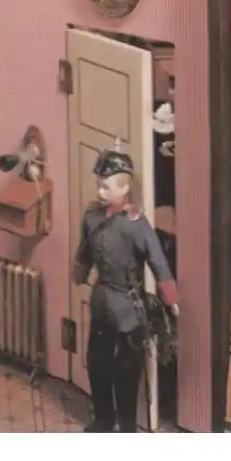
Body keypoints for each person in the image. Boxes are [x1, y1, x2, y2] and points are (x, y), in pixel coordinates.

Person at [73, 139, 180, 433]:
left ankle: (128, 426)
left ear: (124, 187)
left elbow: (158, 262)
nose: (100, 191)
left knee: (127, 371)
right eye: (99, 185)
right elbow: (84, 251)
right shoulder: (92, 217)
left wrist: (171, 299)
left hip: (129, 309)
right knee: (97, 363)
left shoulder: (136, 224)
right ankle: (104, 419)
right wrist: (79, 274)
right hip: (102, 300)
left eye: (106, 186)